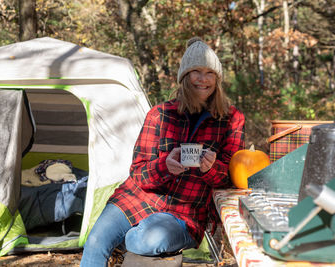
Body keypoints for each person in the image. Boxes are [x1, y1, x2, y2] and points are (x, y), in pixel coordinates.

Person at [80, 37, 245, 267]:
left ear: (217, 78)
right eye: (196, 71)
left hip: (185, 213)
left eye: (210, 73)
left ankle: (125, 239)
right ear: (184, 77)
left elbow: (231, 177)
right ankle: (121, 237)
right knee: (96, 241)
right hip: (136, 197)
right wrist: (164, 166)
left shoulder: (231, 119)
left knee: (143, 239)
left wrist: (212, 169)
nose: (203, 79)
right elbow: (138, 172)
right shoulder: (160, 114)